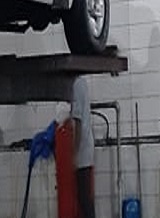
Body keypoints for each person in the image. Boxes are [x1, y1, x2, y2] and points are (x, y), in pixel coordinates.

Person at [72, 76, 96, 218]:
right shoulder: (82, 82)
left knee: (84, 201)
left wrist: (73, 154)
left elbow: (78, 122)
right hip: (86, 148)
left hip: (82, 152)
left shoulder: (75, 85)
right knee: (85, 199)